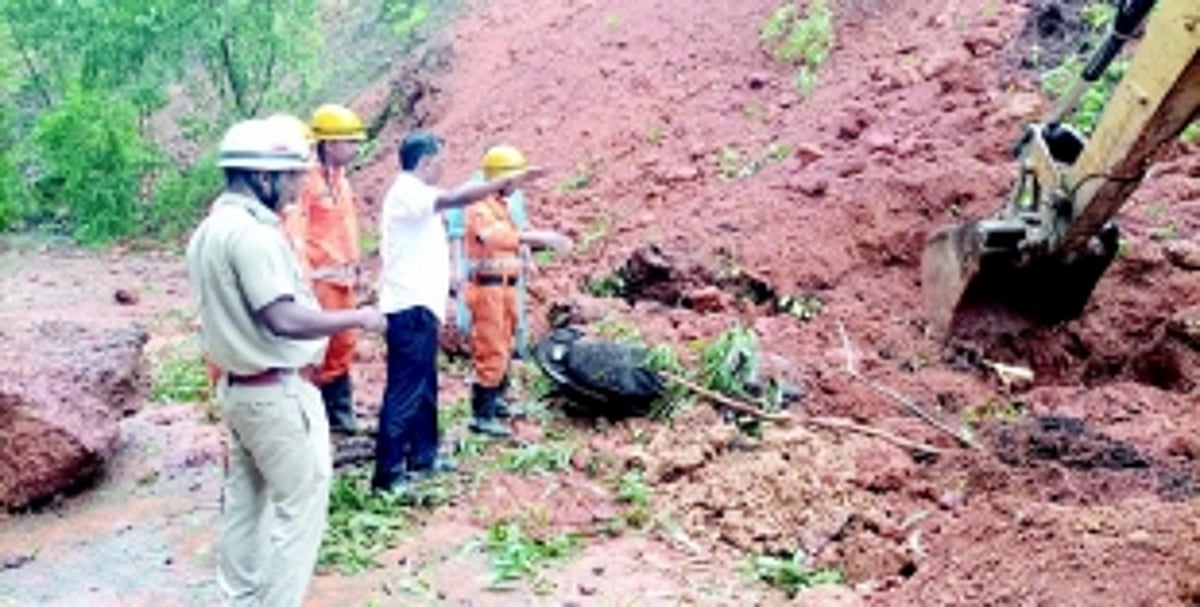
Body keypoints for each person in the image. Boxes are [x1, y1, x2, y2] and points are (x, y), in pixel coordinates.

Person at [186, 117, 387, 607]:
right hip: (276, 393)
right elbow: (282, 317)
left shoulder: (210, 230)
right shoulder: (253, 235)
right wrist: (359, 315)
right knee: (301, 508)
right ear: (261, 177)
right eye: (291, 175)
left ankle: (237, 599)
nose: (299, 185)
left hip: (238, 390)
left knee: (246, 504)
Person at [372, 131, 545, 492]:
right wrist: (500, 182)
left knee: (425, 386)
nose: (443, 168)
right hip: (409, 306)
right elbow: (455, 198)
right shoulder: (408, 192)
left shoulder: (416, 193)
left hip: (423, 305)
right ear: (424, 162)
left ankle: (424, 455)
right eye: (440, 161)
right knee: (405, 390)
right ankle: (388, 475)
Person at [463, 145, 571, 437]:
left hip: (506, 287)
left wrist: (526, 254)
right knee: (491, 347)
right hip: (488, 289)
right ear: (502, 178)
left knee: (506, 343)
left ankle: (497, 400)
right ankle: (481, 414)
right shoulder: (480, 207)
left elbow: (510, 237)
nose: (518, 184)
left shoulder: (499, 204)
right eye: (515, 178)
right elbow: (493, 237)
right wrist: (539, 238)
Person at [293, 103, 367, 434]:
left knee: (344, 342)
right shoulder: (306, 182)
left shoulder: (341, 181)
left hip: (344, 278)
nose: (354, 148)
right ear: (329, 143)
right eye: (349, 141)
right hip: (320, 281)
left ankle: (339, 414)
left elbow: (347, 227)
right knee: (318, 346)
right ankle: (318, 415)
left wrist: (357, 265)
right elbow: (298, 231)